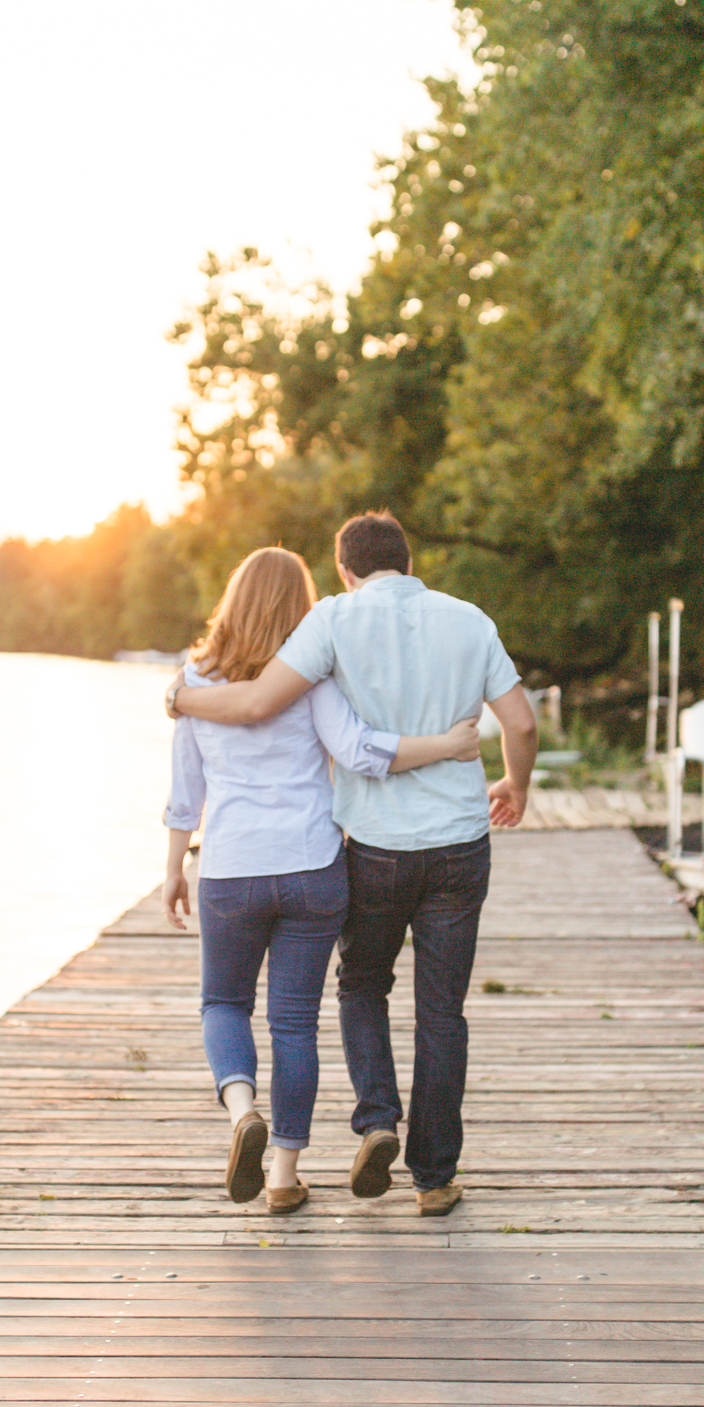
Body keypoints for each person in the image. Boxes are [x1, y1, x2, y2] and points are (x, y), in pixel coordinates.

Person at [168, 512, 538, 1217]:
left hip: (370, 848)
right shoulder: (469, 619)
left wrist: (178, 696)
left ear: (342, 569)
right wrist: (514, 784)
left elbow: (252, 703)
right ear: (409, 558)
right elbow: (518, 723)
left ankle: (375, 1122)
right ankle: (433, 1179)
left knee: (362, 984)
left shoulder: (332, 621)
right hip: (458, 843)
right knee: (442, 1011)